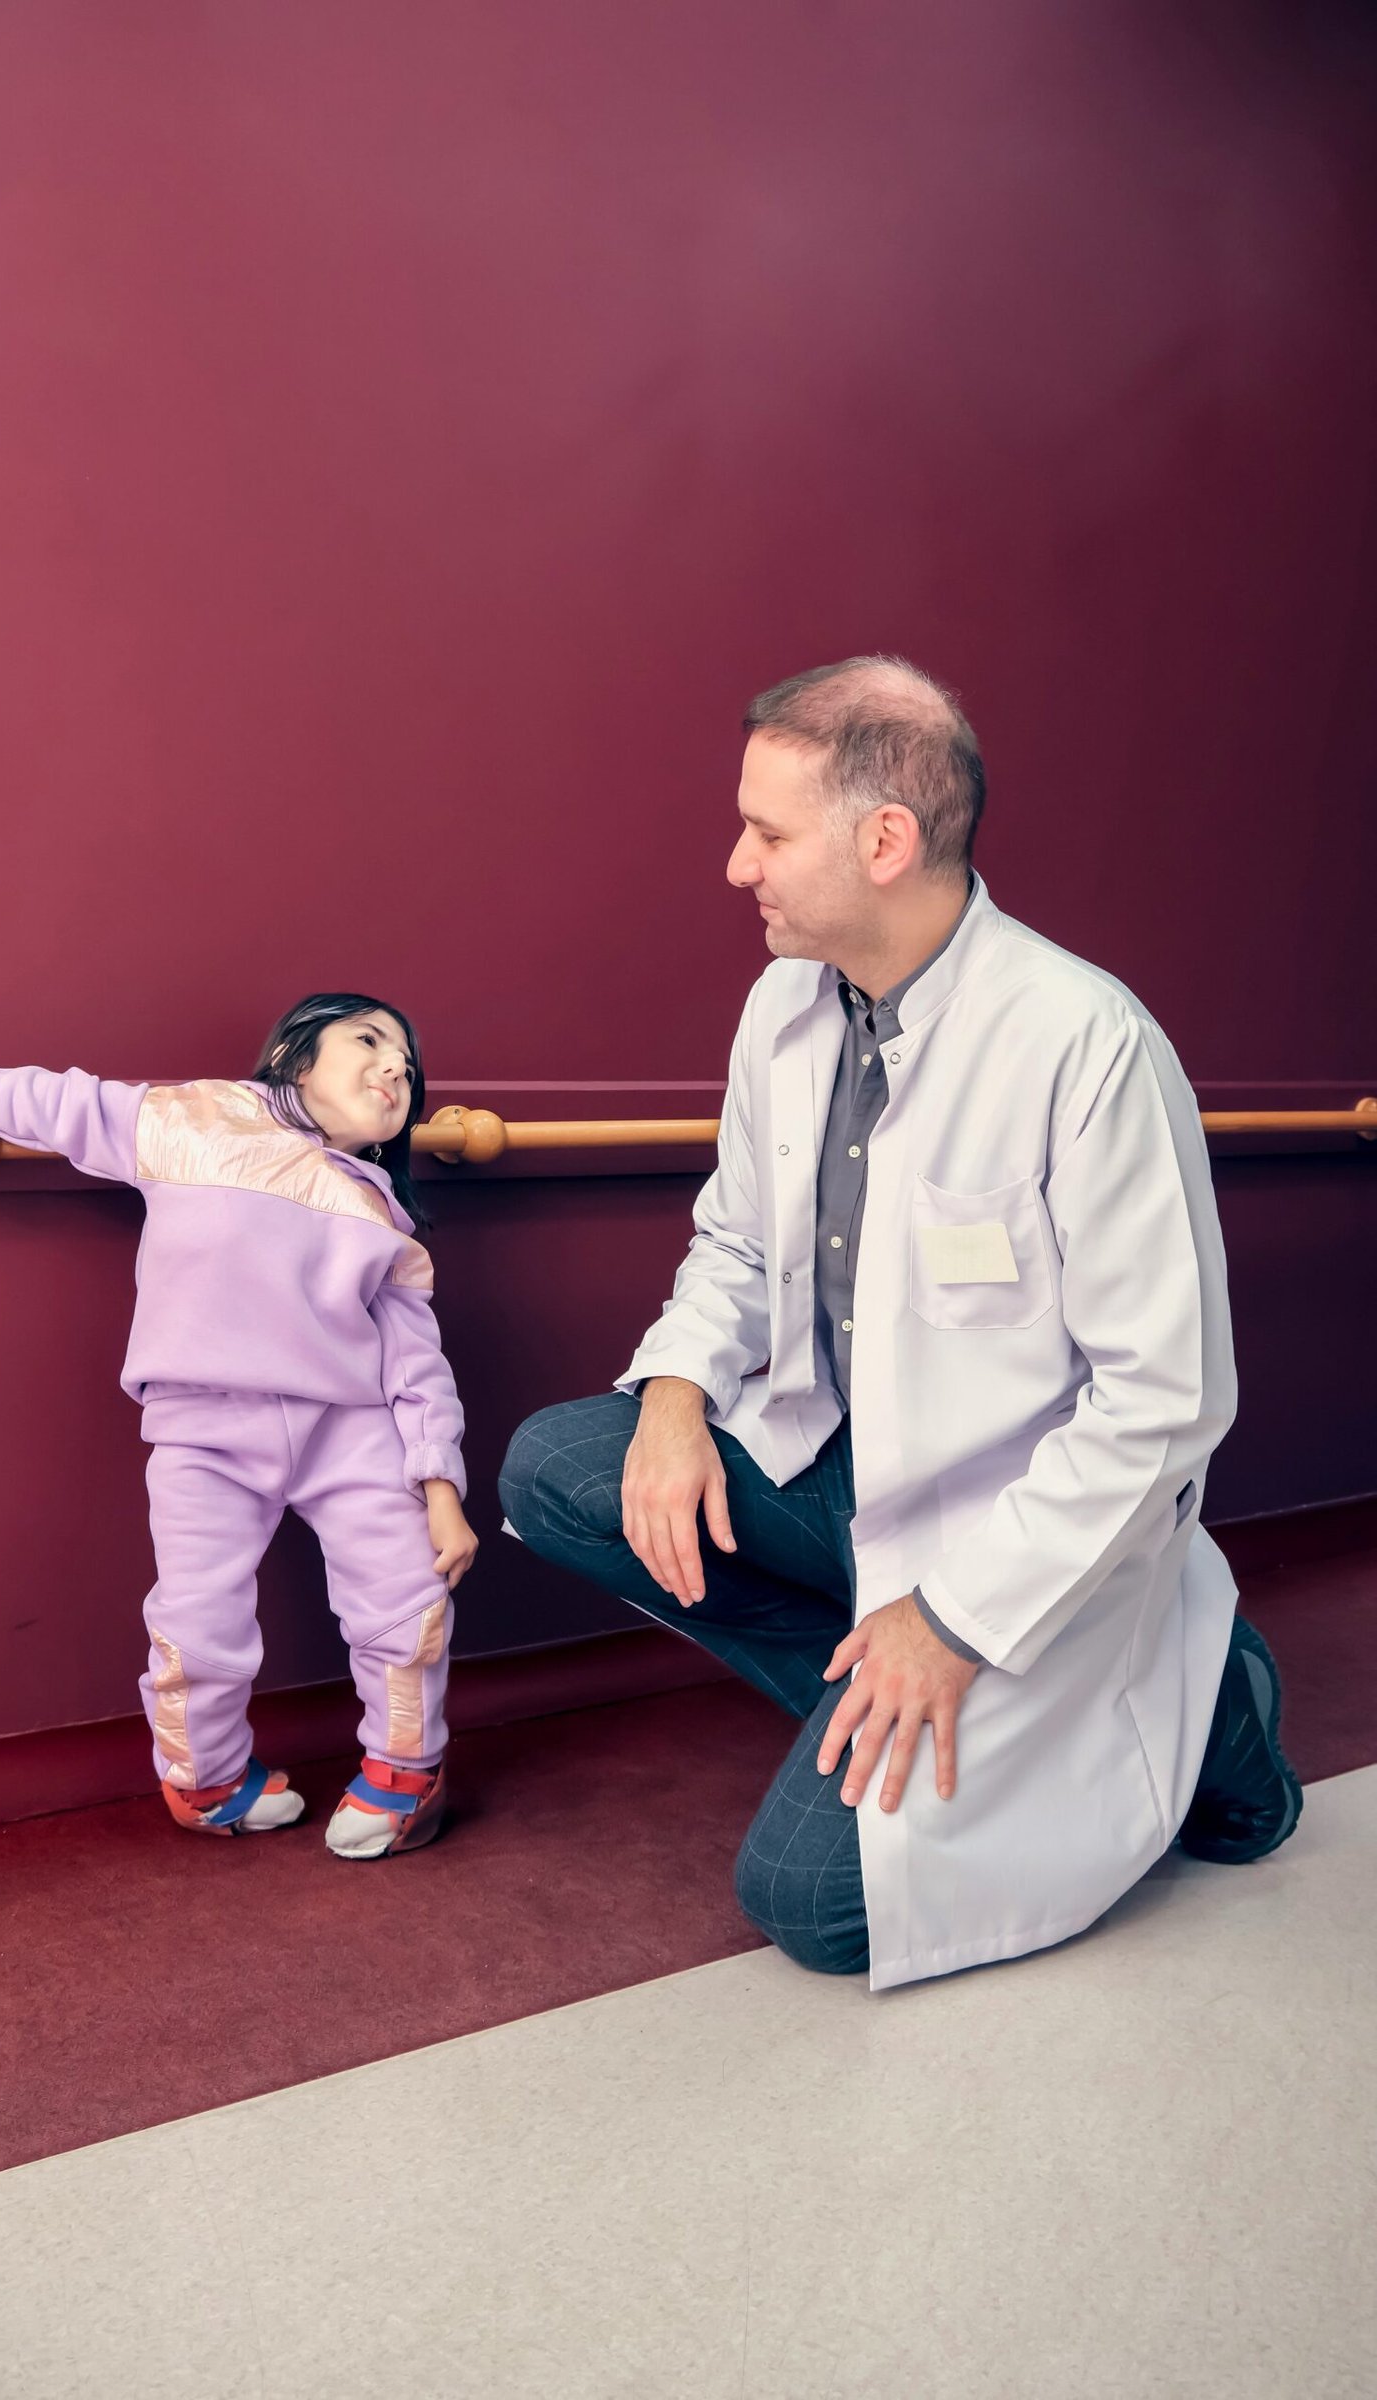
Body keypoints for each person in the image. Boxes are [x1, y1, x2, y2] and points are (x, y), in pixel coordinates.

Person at [501, 658, 1300, 1991]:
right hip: (848, 1474)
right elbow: (738, 1247)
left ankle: (1206, 1696)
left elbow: (1161, 1407)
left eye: (766, 832)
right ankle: (868, 1704)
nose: (734, 865)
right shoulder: (783, 1010)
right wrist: (680, 1401)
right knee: (564, 1468)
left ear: (886, 840)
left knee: (808, 1904)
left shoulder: (1085, 1042)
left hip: (1024, 1533)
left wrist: (957, 1621)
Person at [0, 993, 477, 1858]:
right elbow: (61, 1102)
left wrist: (441, 1489)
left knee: (405, 1602)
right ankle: (206, 1780)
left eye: (409, 1066)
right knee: (197, 1617)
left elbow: (415, 1363)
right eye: (369, 1040)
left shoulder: (380, 1208)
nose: (396, 1067)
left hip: (351, 1429)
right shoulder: (195, 1118)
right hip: (203, 1428)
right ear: (293, 1052)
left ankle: (408, 1773)